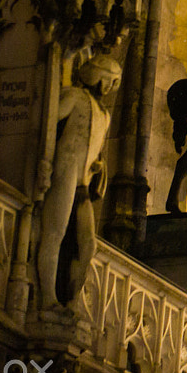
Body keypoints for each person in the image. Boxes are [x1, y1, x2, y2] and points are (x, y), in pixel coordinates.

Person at [37, 54, 122, 308]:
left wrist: (97, 164)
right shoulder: (74, 96)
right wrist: (44, 160)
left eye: (113, 83)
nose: (107, 87)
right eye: (105, 80)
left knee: (89, 245)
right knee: (54, 234)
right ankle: (47, 297)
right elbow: (47, 123)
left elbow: (94, 148)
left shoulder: (104, 115)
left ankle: (73, 299)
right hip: (64, 169)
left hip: (83, 179)